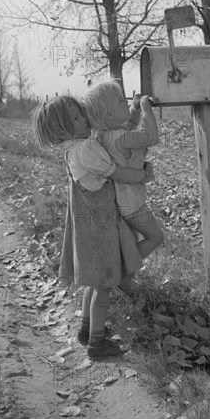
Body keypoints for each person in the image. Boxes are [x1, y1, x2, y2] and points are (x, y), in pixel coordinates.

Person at [32, 95, 153, 359]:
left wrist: (131, 116)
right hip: (100, 224)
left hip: (90, 222)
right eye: (76, 117)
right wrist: (142, 175)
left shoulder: (75, 147)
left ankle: (86, 330)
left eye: (82, 113)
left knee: (93, 282)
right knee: (103, 285)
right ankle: (97, 345)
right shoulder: (84, 149)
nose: (85, 119)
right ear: (62, 129)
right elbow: (116, 173)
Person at [84, 80, 163, 260]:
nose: (126, 102)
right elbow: (151, 137)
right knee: (155, 237)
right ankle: (124, 270)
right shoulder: (119, 138)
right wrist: (146, 109)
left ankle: (123, 270)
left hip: (124, 201)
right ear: (109, 113)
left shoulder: (107, 135)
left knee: (131, 241)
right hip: (133, 204)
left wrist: (134, 114)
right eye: (121, 100)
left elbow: (126, 128)